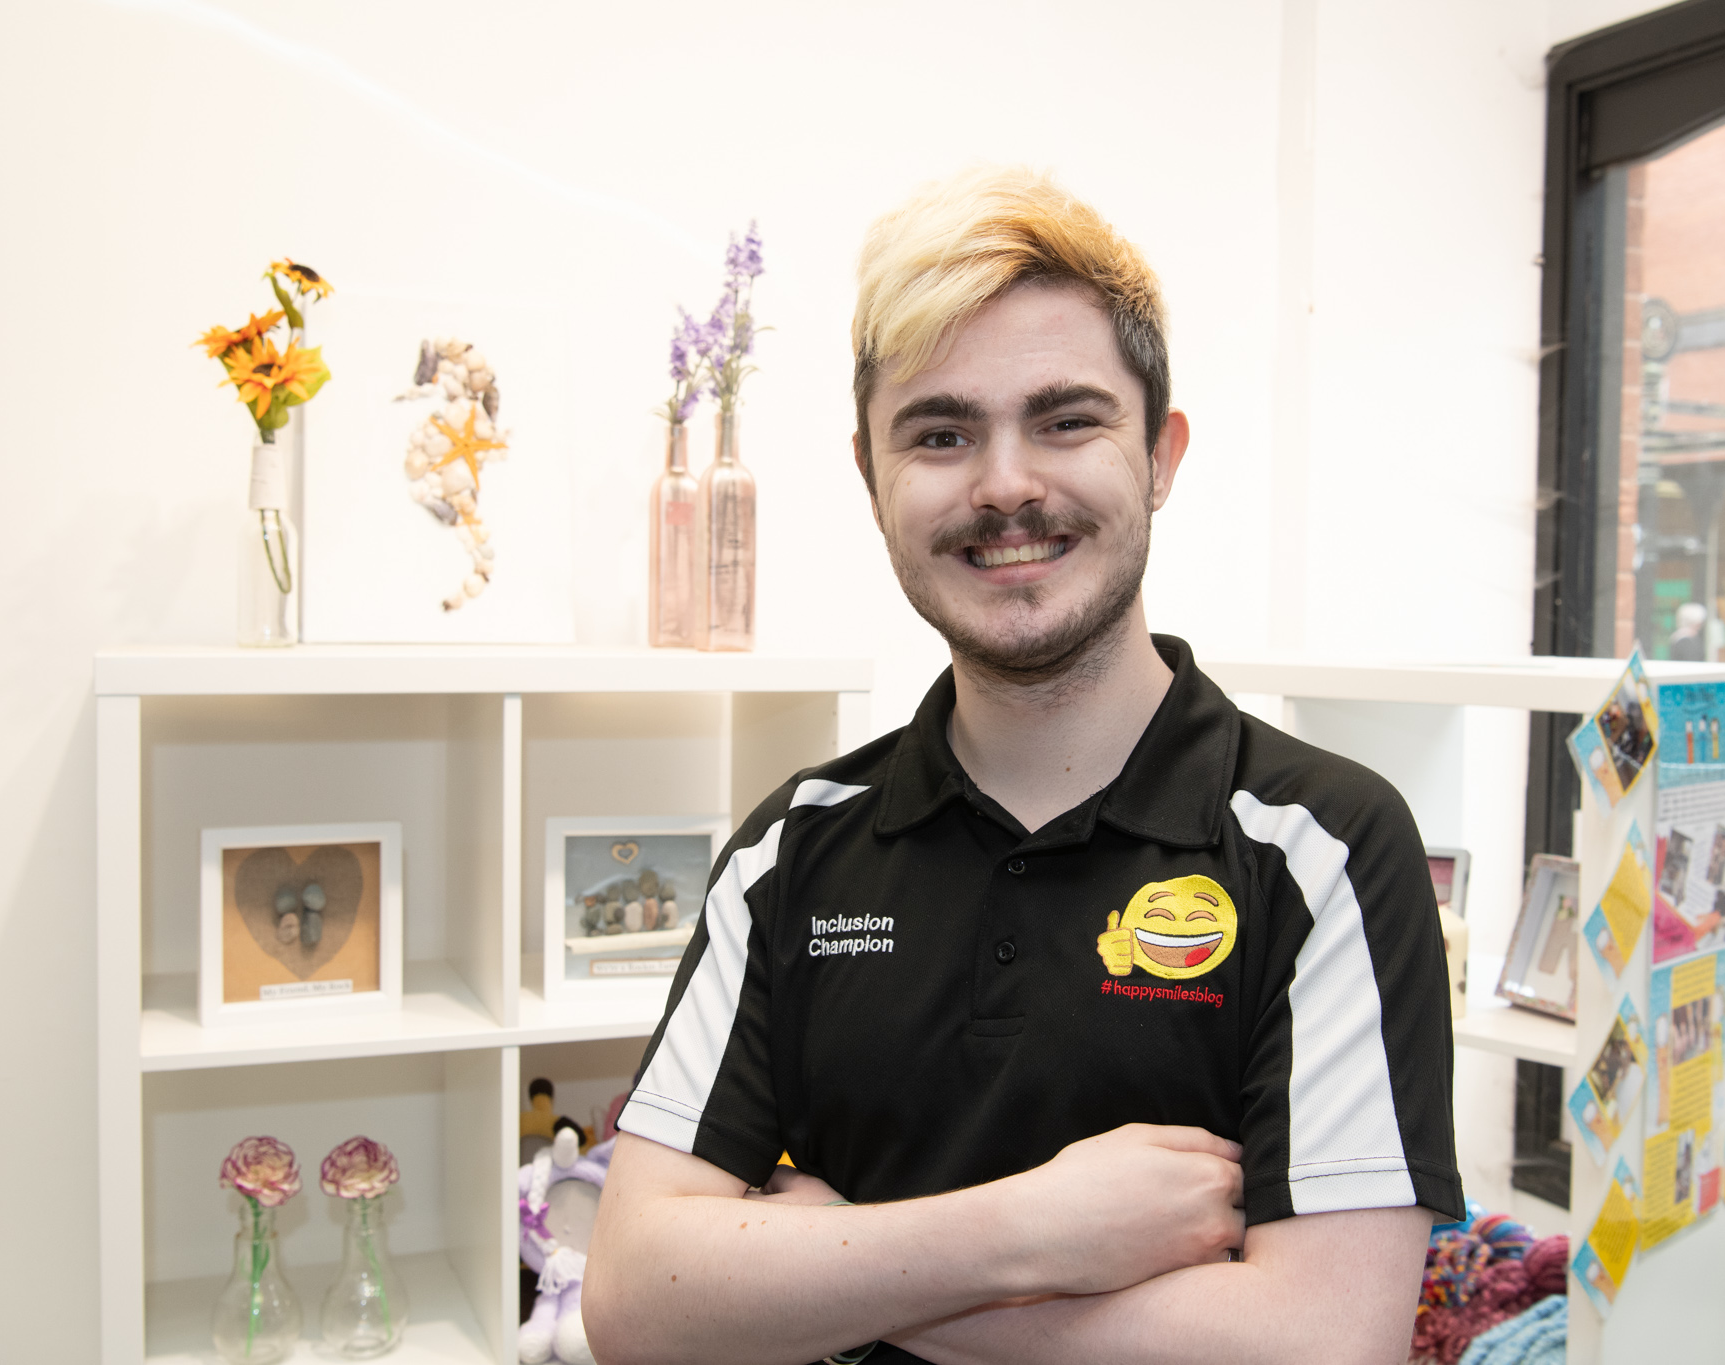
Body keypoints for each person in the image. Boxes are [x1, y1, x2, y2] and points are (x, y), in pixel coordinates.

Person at [586, 168, 1462, 1365]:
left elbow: (1319, 1342)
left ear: (1159, 455)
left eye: (1065, 420)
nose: (1004, 485)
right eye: (940, 433)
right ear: (871, 479)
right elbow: (639, 1301)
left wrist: (845, 1266)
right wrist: (1025, 1233)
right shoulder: (793, 846)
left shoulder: (1324, 846)